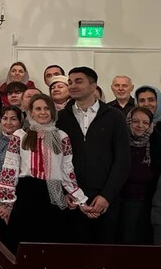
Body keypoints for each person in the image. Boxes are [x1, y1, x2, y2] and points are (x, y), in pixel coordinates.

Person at [0, 94, 88, 252]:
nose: (43, 112)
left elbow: (66, 169)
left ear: (53, 111)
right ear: (31, 112)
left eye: (46, 108)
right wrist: (7, 202)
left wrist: (77, 196)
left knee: (53, 241)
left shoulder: (61, 137)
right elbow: (9, 169)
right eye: (38, 109)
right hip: (28, 191)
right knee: (25, 242)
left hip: (54, 190)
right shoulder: (21, 136)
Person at [56, 66, 131, 244]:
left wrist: (107, 196)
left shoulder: (114, 117)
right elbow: (54, 160)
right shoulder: (60, 118)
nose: (72, 86)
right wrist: (64, 193)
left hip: (105, 199)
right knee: (72, 258)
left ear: (93, 85)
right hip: (71, 200)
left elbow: (123, 161)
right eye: (70, 82)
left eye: (78, 81)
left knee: (103, 257)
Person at [118, 107, 160, 245]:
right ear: (128, 122)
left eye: (145, 122)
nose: (140, 126)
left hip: (150, 204)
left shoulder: (157, 142)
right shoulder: (119, 142)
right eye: (135, 121)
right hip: (121, 203)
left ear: (150, 124)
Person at [0, 106, 23, 185]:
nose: (8, 122)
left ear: (20, 122)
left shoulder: (25, 140)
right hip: (1, 190)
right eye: (5, 118)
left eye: (13, 119)